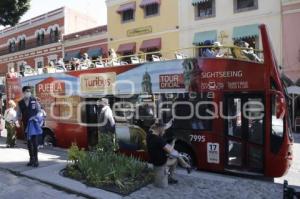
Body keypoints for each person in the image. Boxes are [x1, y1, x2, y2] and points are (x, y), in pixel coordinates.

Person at [147, 119, 191, 187]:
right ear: (159, 128)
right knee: (176, 156)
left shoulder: (149, 135)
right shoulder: (159, 140)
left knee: (176, 156)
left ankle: (184, 166)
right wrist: (173, 142)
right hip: (161, 162)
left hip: (153, 159)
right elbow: (171, 151)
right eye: (163, 129)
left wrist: (170, 122)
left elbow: (161, 126)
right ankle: (183, 167)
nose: (164, 131)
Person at [17, 86, 41, 167]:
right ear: (23, 92)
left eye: (30, 91)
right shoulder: (20, 103)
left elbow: (39, 111)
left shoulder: (34, 100)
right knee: (29, 143)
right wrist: (17, 121)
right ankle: (31, 159)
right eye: (27, 91)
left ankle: (36, 160)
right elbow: (18, 114)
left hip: (33, 124)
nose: (28, 92)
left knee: (35, 142)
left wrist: (36, 117)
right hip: (26, 125)